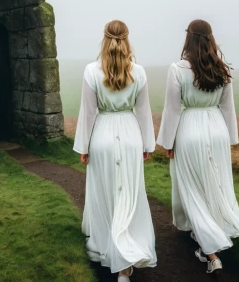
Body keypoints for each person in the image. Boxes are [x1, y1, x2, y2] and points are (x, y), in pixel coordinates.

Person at [157, 19, 239, 274]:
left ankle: (211, 253)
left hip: (189, 129)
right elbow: (228, 108)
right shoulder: (223, 69)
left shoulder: (177, 69)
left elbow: (173, 109)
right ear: (210, 39)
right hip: (217, 129)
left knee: (192, 187)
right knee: (214, 183)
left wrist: (168, 141)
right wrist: (230, 139)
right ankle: (209, 232)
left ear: (188, 38)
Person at [73, 20, 157, 281]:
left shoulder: (91, 70)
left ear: (104, 38)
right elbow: (143, 112)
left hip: (102, 135)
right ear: (127, 38)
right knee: (129, 192)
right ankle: (127, 257)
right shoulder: (139, 72)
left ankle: (109, 248)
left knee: (104, 191)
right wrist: (147, 144)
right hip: (131, 135)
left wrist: (83, 146)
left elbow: (87, 112)